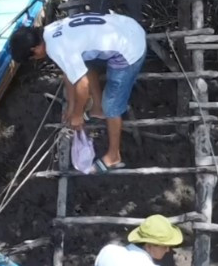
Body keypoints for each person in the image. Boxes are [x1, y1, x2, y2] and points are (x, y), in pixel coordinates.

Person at [9, 13, 145, 172]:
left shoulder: (56, 48)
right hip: (126, 24)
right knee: (85, 65)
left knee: (112, 105)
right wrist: (72, 107)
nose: (35, 59)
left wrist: (77, 115)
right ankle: (97, 109)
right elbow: (70, 72)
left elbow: (83, 85)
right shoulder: (49, 31)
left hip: (130, 48)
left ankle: (114, 155)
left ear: (35, 49)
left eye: (32, 58)